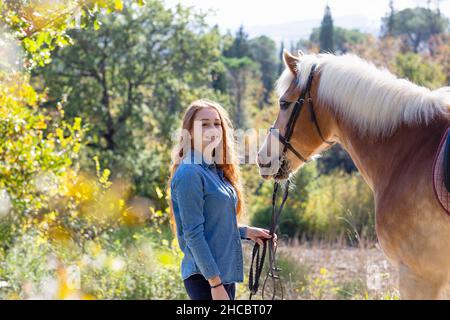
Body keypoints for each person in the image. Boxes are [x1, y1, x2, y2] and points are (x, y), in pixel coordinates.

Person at [168, 99, 276, 300]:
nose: (213, 129)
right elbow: (193, 235)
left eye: (217, 123)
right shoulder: (190, 173)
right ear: (189, 131)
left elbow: (214, 224)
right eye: (204, 124)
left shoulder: (215, 171)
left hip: (222, 276)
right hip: (205, 278)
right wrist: (215, 284)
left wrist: (246, 232)